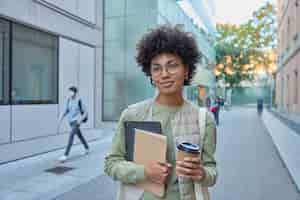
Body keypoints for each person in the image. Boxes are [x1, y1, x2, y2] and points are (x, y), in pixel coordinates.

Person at [104, 25, 217, 200]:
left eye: (172, 66)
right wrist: (143, 172)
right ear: (150, 73)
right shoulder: (132, 114)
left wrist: (201, 173)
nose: (164, 74)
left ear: (186, 70)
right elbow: (111, 164)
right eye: (156, 68)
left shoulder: (204, 120)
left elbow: (212, 172)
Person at [58, 86, 89, 162]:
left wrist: (80, 121)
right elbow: (66, 110)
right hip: (71, 122)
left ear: (75, 92)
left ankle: (65, 155)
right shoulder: (69, 100)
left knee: (71, 136)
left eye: (71, 91)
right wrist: (60, 118)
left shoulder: (79, 101)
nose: (70, 93)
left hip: (76, 122)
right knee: (80, 136)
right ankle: (87, 148)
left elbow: (85, 113)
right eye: (69, 91)